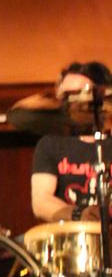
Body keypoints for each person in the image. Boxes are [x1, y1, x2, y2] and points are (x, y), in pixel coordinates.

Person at [9, 61, 112, 223]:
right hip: (71, 232)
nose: (71, 102)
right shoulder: (51, 143)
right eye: (66, 96)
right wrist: (79, 215)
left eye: (79, 93)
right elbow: (41, 201)